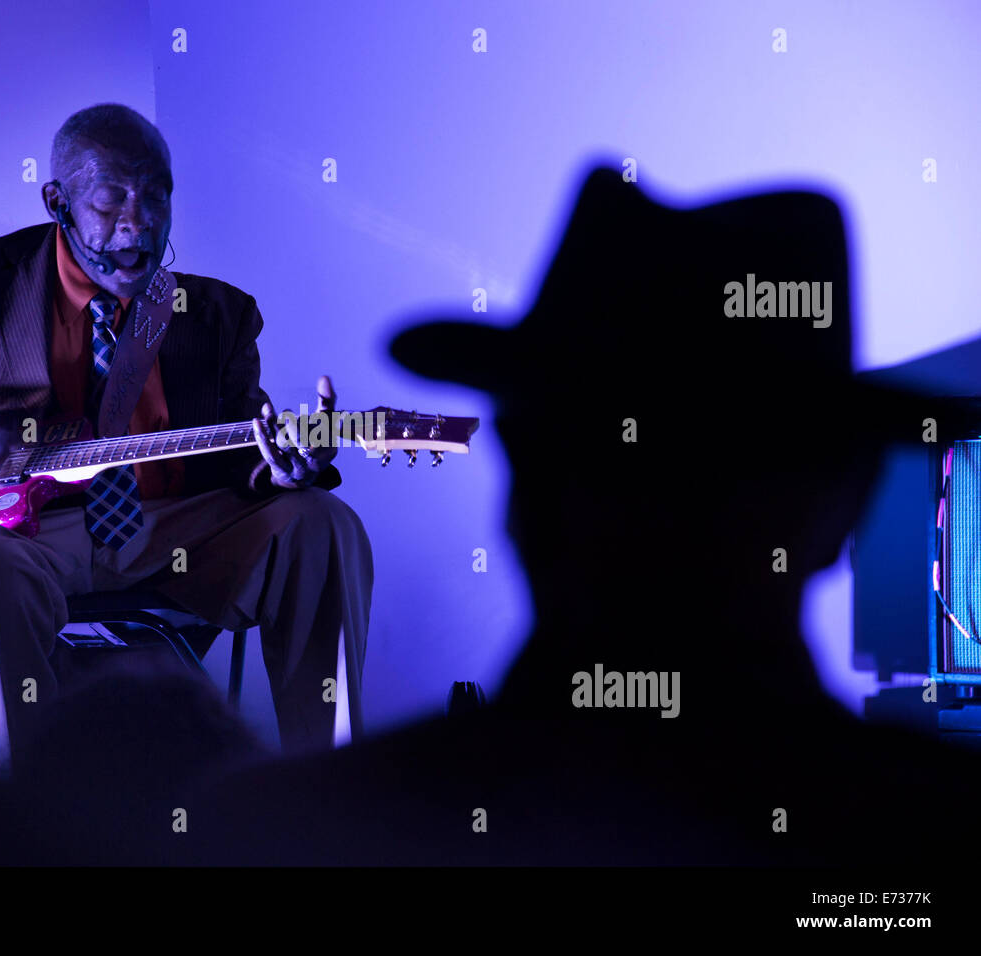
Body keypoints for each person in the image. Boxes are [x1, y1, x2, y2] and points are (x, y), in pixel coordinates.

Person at [190, 165, 981, 865]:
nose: (661, 517)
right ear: (848, 498)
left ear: (523, 490)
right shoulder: (938, 835)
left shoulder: (284, 834)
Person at [0, 104, 373, 780]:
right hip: (23, 542)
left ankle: (334, 795)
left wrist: (287, 470)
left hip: (171, 536)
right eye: (110, 200)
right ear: (56, 201)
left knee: (322, 523)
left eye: (156, 195)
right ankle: (42, 828)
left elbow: (246, 460)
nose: (139, 220)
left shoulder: (218, 314)